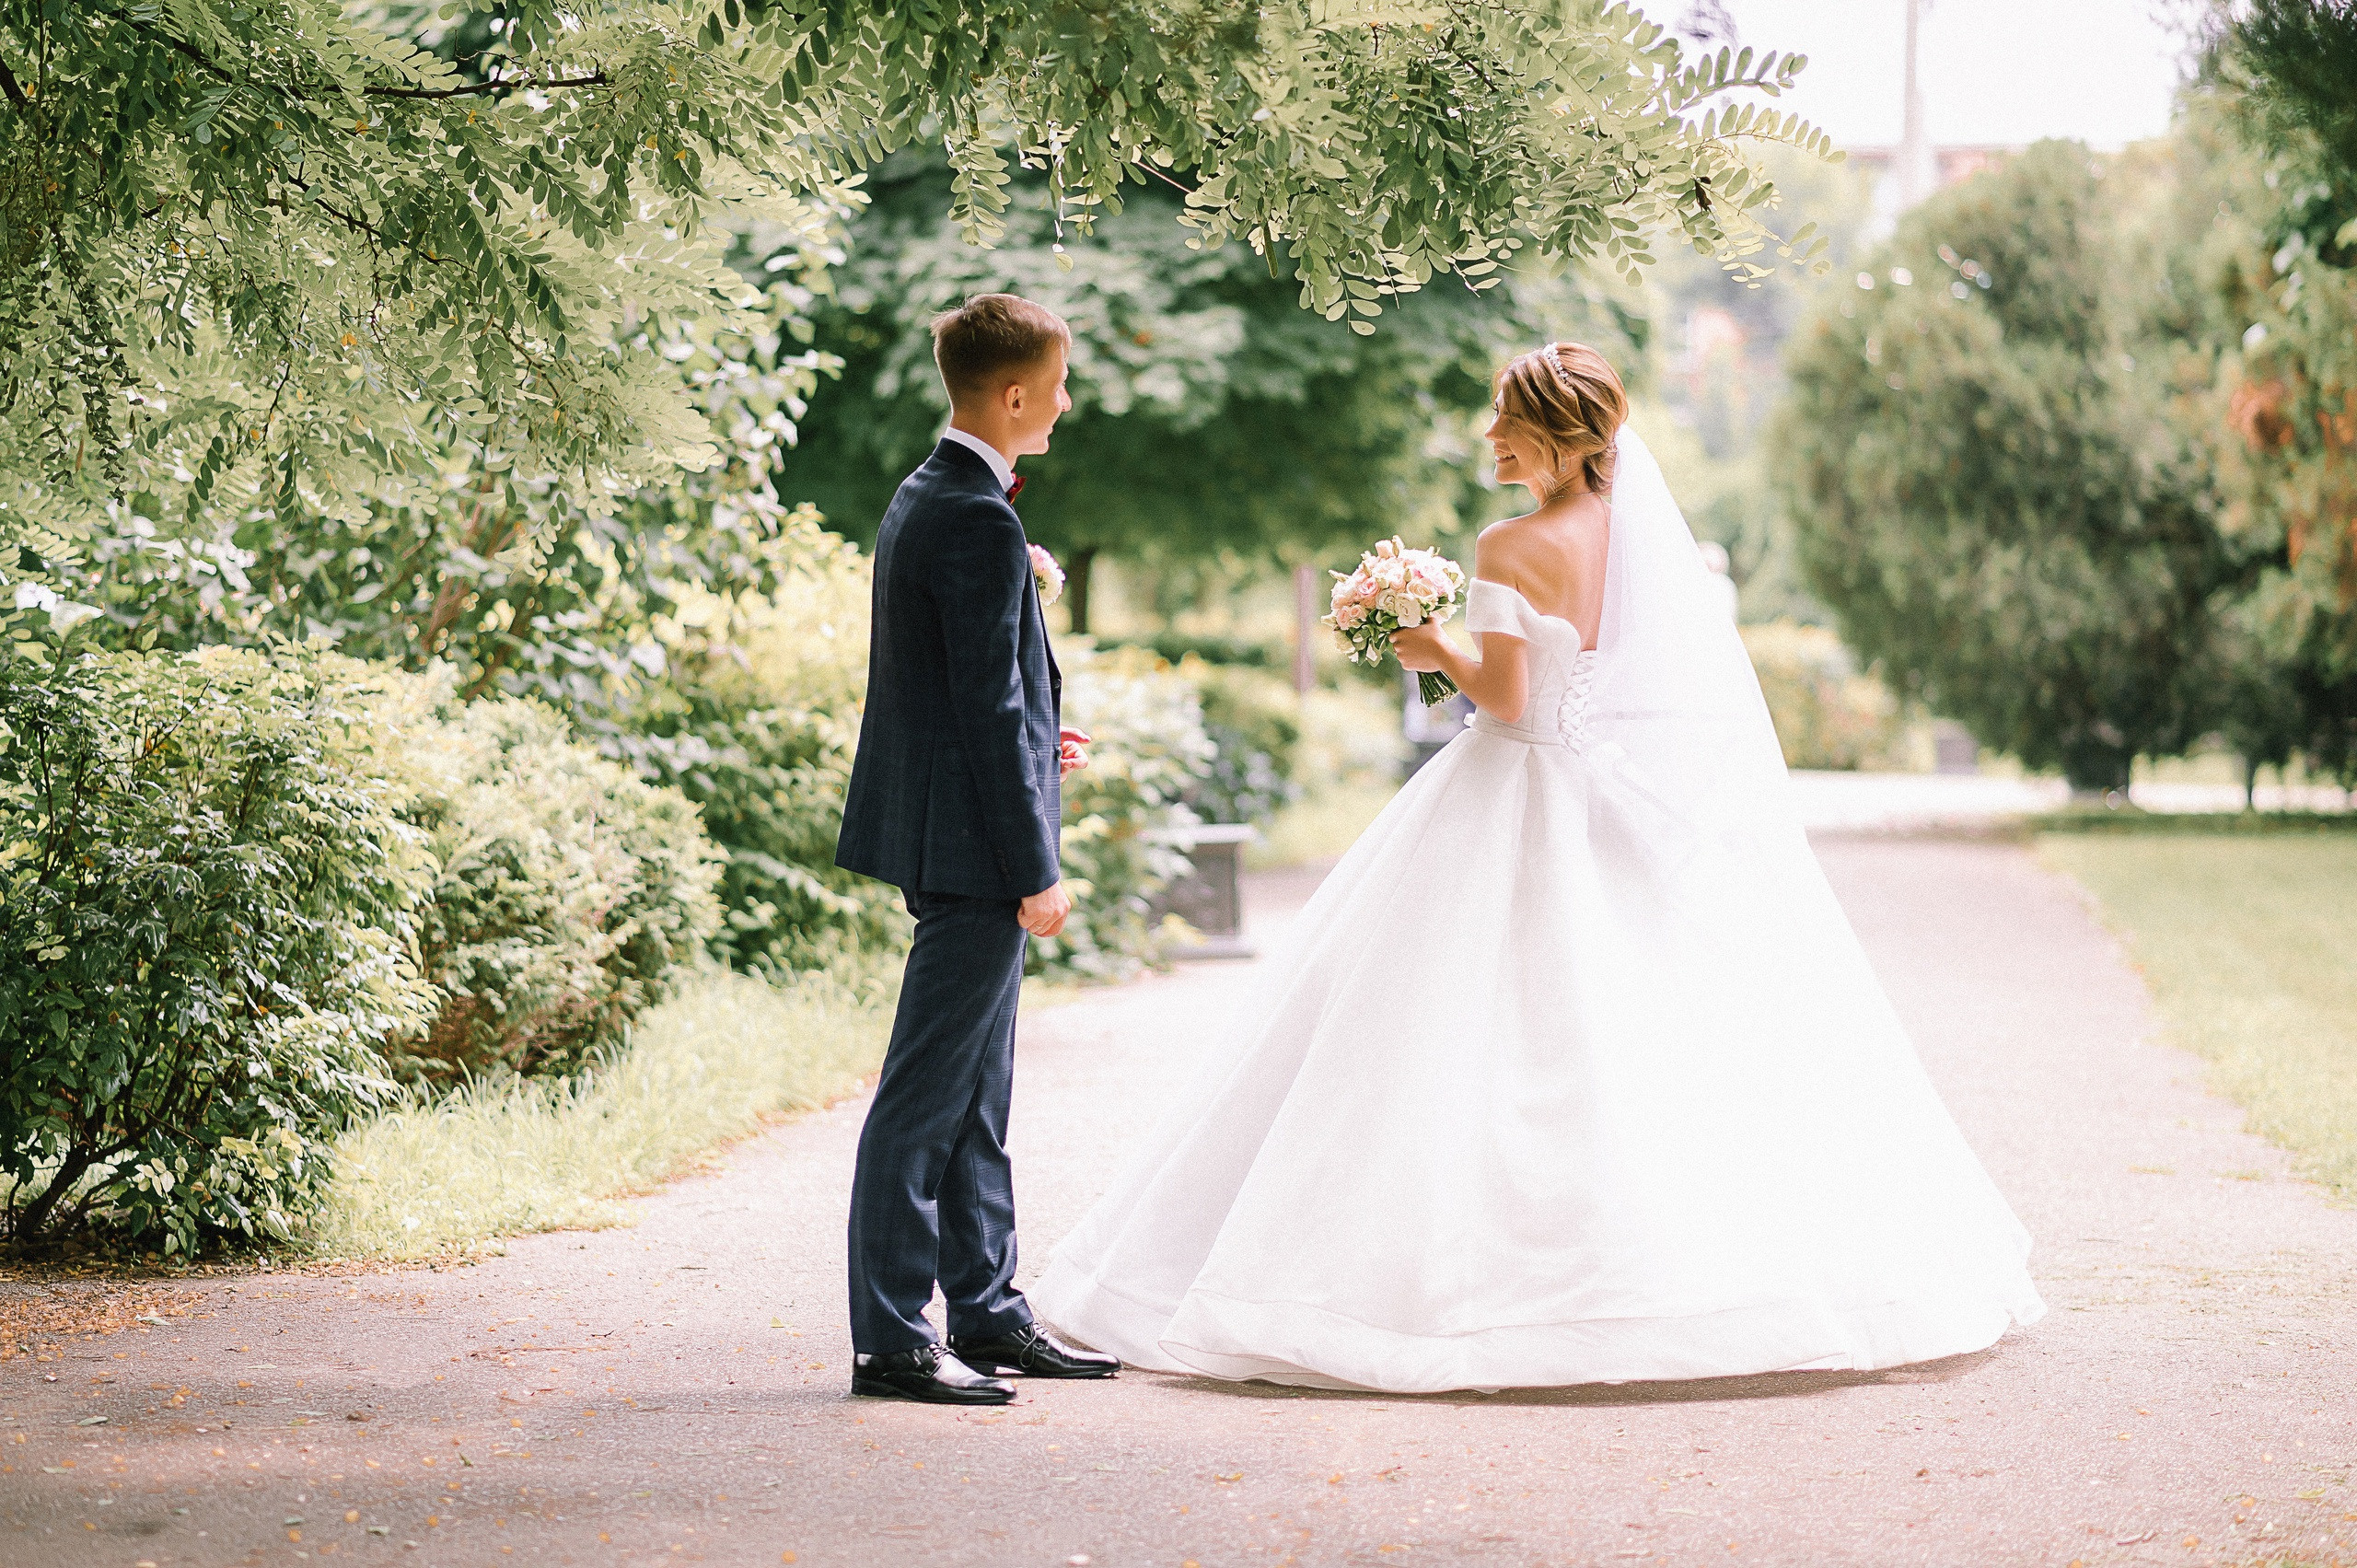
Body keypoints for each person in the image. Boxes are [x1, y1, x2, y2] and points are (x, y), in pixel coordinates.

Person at [1030, 342, 2045, 1393]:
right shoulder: (1634, 537)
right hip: (1600, 798)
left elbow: (1505, 699)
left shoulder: (1509, 544)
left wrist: (1424, 642)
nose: (1490, 436)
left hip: (1512, 784)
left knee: (1429, 1022)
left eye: (1508, 420)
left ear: (1563, 435)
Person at [834, 294, 1121, 1404]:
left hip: (953, 830)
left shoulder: (934, 492)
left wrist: (1047, 738)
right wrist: (1035, 863)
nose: (1066, 399)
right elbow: (986, 710)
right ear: (1013, 395)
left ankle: (989, 1312)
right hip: (971, 852)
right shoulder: (975, 515)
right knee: (923, 1096)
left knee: (977, 1095)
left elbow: (974, 692)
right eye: (1058, 382)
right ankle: (894, 1337)